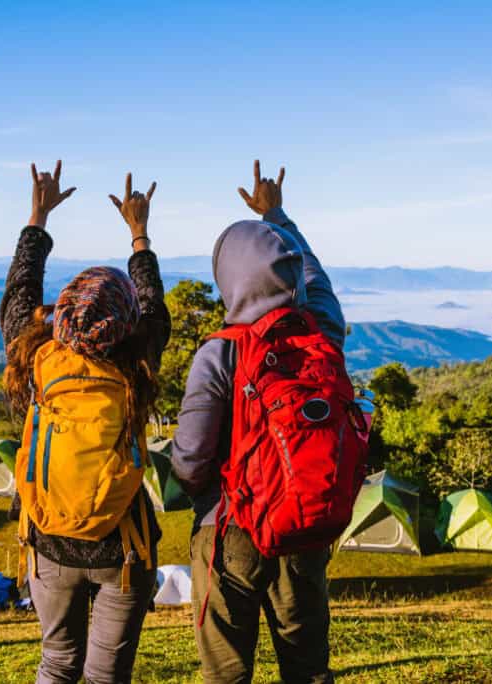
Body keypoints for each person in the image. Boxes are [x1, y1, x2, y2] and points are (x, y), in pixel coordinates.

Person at [171, 161, 347, 684]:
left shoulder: (219, 354)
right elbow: (314, 276)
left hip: (231, 529)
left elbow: (190, 460)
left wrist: (204, 495)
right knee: (307, 669)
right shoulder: (322, 332)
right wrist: (278, 217)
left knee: (227, 673)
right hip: (304, 524)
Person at [0, 161, 170, 684]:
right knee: (105, 676)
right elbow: (154, 306)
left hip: (48, 541)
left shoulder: (33, 357)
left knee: (56, 663)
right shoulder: (137, 364)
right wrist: (139, 233)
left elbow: (20, 293)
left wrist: (38, 216)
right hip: (124, 547)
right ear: (127, 322)